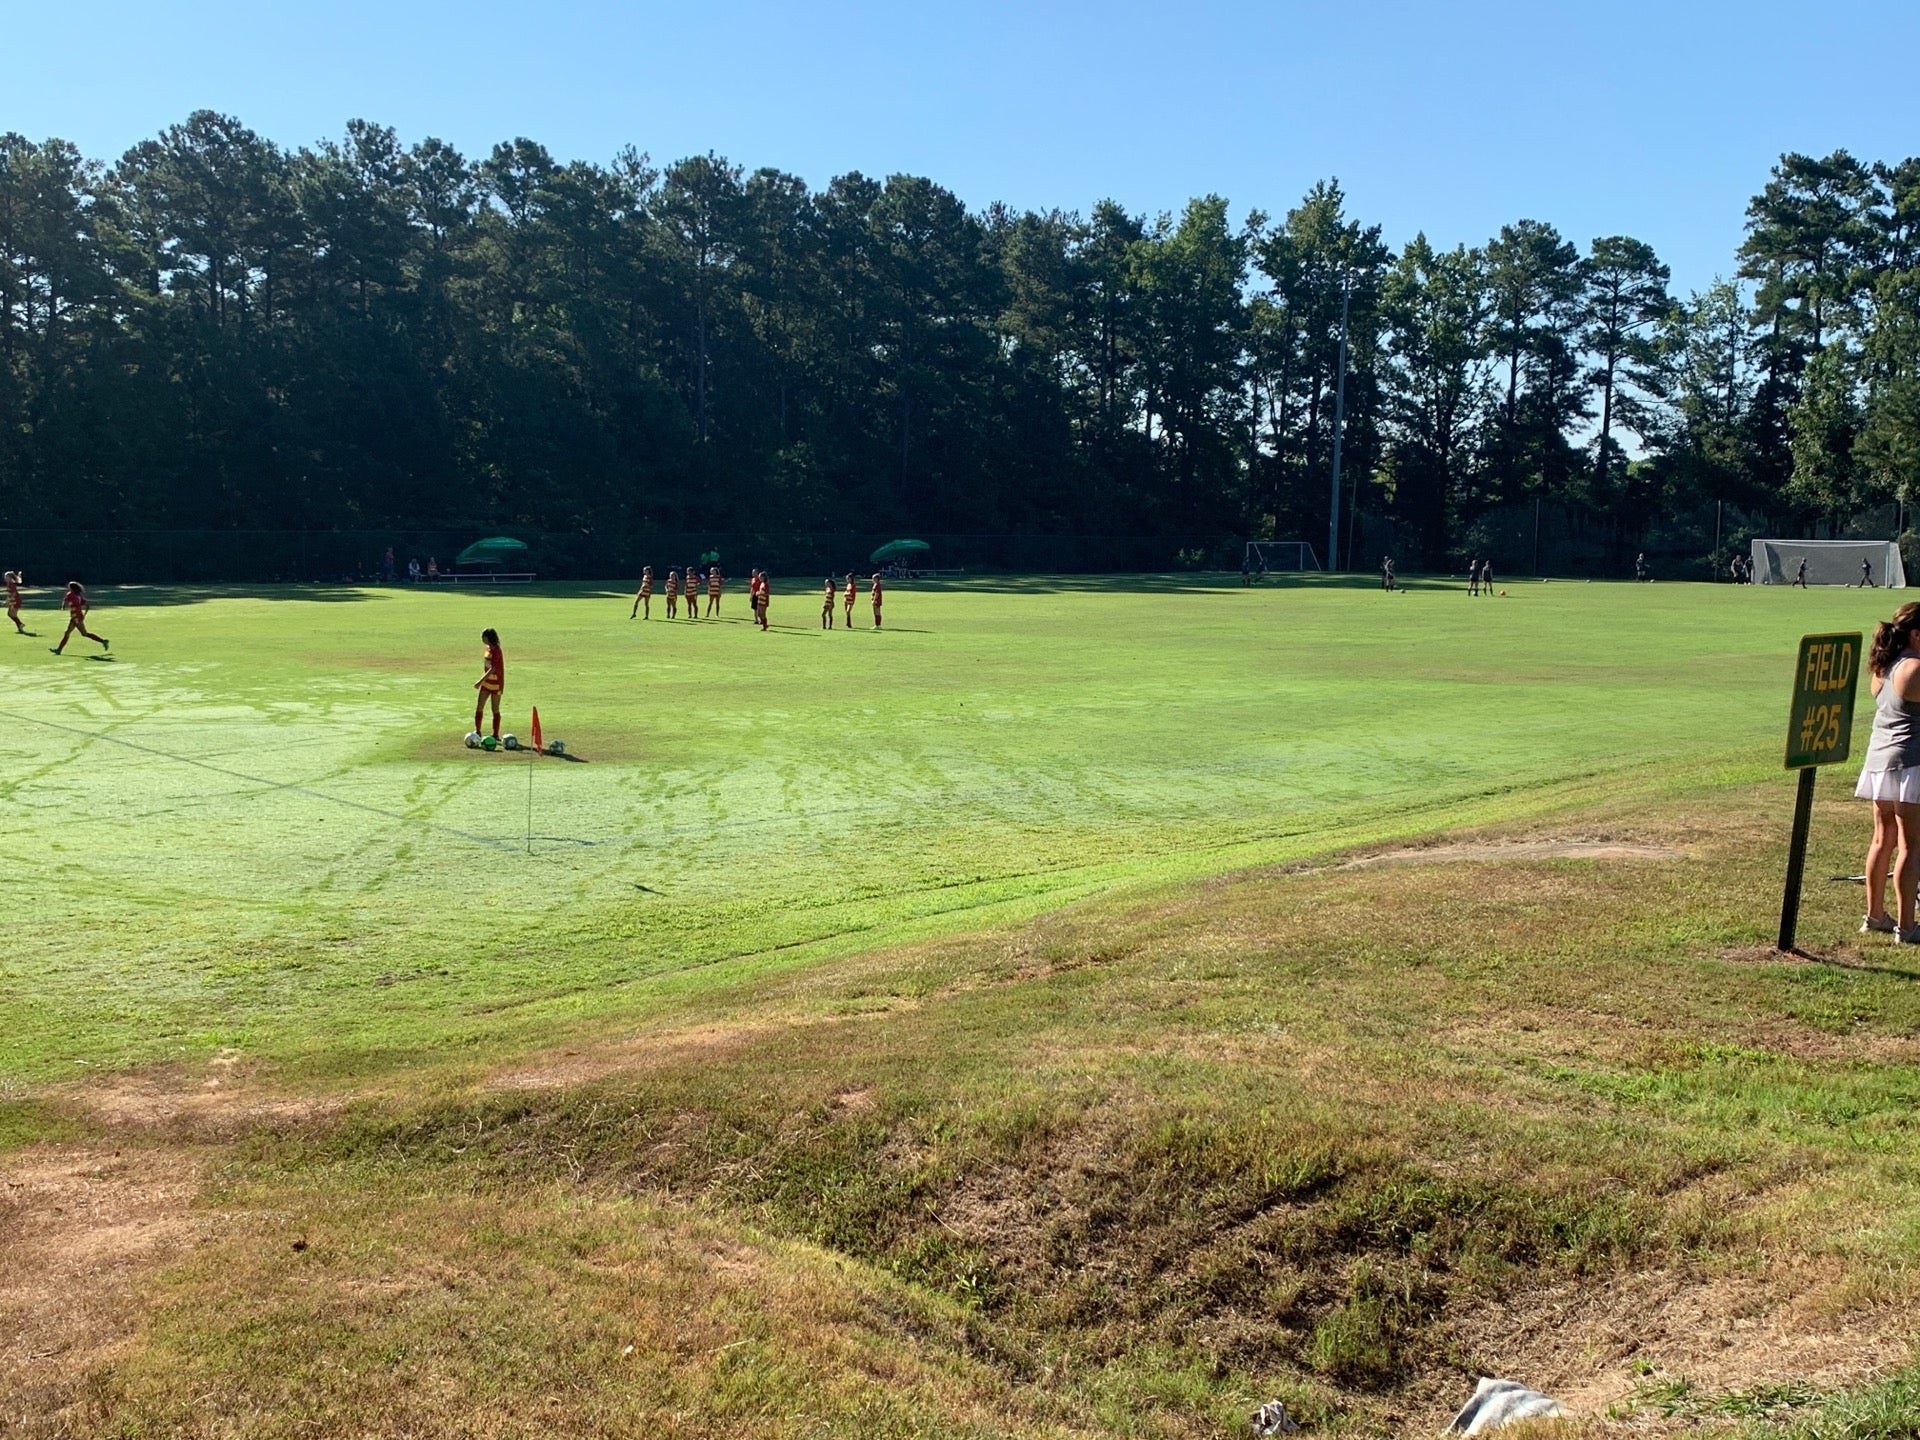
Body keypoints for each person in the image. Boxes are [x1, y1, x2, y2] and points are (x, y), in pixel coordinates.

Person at [1856, 603, 1920, 942]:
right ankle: (1908, 927)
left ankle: (1875, 915)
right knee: (1912, 845)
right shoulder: (1914, 668)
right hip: (1911, 762)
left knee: (1883, 840)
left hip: (1880, 761)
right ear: (1916, 634)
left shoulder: (1883, 668)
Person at [51, 581, 108, 655]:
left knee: (78, 633)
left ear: (71, 588)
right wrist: (84, 614)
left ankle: (103, 641)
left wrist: (63, 606)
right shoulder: (78, 595)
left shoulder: (71, 594)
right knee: (73, 633)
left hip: (76, 617)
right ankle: (59, 650)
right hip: (78, 616)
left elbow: (65, 600)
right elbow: (87, 605)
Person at [473, 628, 504, 742]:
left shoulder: (496, 650)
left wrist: (479, 681)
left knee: (494, 708)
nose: (482, 639)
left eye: (483, 637)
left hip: (496, 682)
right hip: (487, 682)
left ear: (488, 637)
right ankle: (477, 731)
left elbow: (493, 669)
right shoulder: (488, 648)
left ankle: (495, 734)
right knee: (479, 706)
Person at [5, 569, 28, 635]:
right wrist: (7, 601)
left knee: (12, 614)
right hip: (13, 600)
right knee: (10, 614)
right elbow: (9, 594)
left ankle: (20, 624)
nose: (5, 578)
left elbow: (13, 593)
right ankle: (20, 625)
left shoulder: (11, 584)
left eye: (6, 576)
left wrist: (8, 601)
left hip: (15, 600)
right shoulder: (9, 583)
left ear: (9, 577)